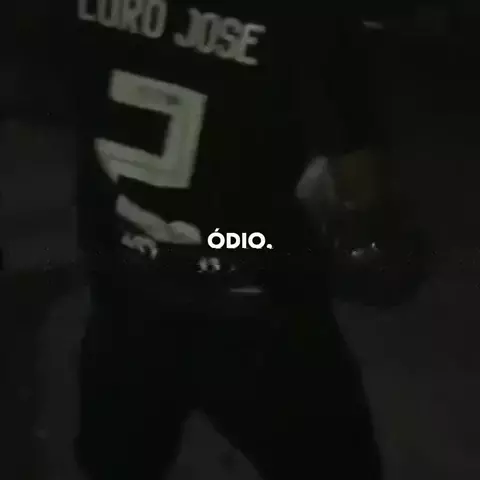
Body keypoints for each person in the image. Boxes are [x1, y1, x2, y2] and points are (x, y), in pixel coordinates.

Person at [6, 1, 427, 479]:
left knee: (117, 462)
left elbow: (46, 84)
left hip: (125, 285)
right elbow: (361, 195)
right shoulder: (306, 15)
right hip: (254, 297)